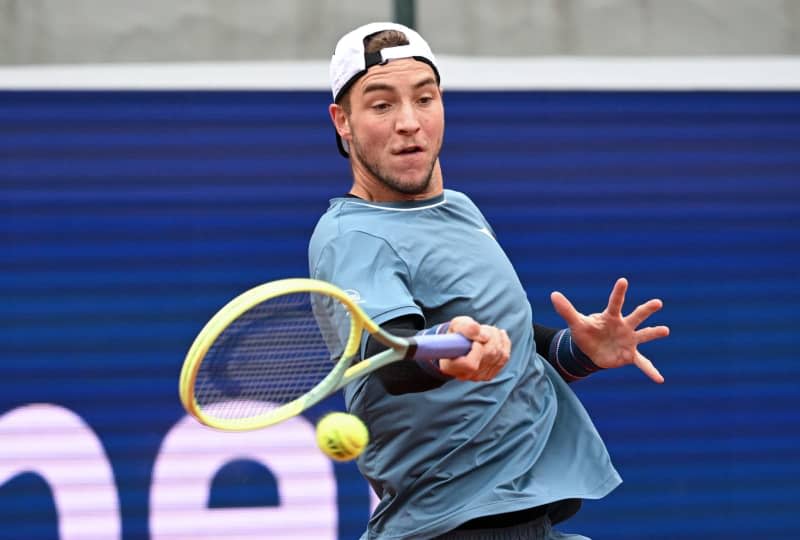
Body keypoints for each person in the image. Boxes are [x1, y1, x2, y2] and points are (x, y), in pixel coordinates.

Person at [309, 22, 670, 540]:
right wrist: (445, 353)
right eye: (382, 105)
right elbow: (388, 355)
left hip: (528, 518)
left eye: (425, 99)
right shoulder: (352, 237)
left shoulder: (459, 208)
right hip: (457, 527)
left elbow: (510, 344)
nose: (409, 122)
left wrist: (578, 350)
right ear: (342, 122)